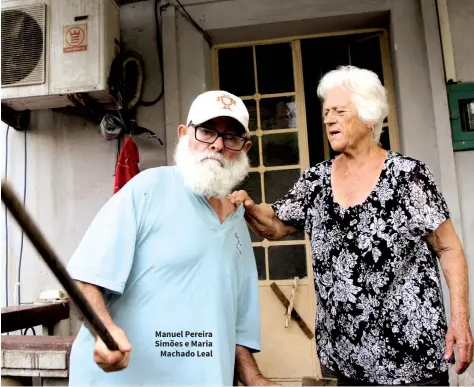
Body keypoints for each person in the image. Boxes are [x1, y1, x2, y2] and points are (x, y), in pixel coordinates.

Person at [228, 66, 473, 386]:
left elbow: (448, 246)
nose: (328, 118)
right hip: (346, 361)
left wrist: (460, 318)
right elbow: (276, 225)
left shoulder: (406, 175)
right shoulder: (315, 181)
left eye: (339, 111)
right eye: (326, 111)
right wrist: (249, 208)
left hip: (410, 358)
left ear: (369, 116)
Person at [67, 90, 275, 386]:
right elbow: (84, 279)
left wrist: (255, 380)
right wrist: (104, 330)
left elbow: (235, 329)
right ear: (184, 133)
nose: (217, 144)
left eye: (231, 137)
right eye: (206, 131)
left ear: (245, 148)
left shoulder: (239, 223)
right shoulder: (149, 189)